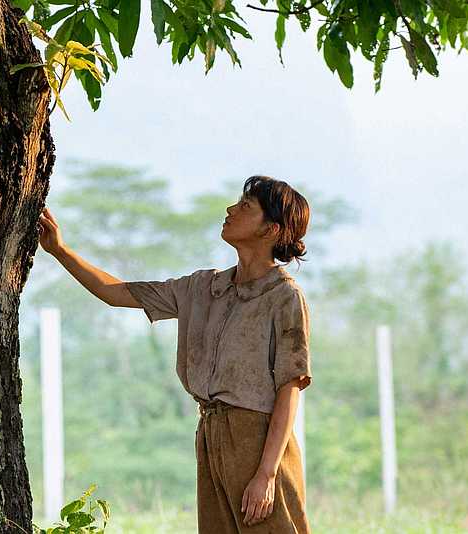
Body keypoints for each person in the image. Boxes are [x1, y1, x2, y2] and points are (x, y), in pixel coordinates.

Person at [37, 175, 312, 533]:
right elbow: (115, 293)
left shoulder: (284, 296)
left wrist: (266, 473)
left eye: (245, 207)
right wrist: (60, 250)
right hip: (210, 433)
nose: (230, 210)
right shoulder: (202, 287)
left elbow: (289, 389)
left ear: (271, 229)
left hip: (259, 442)